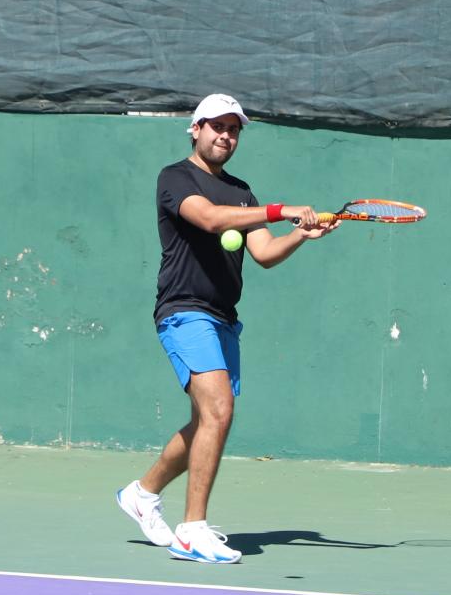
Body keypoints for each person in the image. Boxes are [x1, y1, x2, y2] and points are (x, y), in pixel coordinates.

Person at [116, 92, 333, 564]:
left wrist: (300, 233)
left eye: (234, 129)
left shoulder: (241, 191)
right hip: (183, 309)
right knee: (218, 409)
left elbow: (264, 254)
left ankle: (142, 493)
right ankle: (192, 530)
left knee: (205, 422)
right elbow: (211, 220)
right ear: (196, 129)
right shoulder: (175, 178)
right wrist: (281, 210)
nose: (226, 135)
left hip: (223, 317)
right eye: (217, 126)